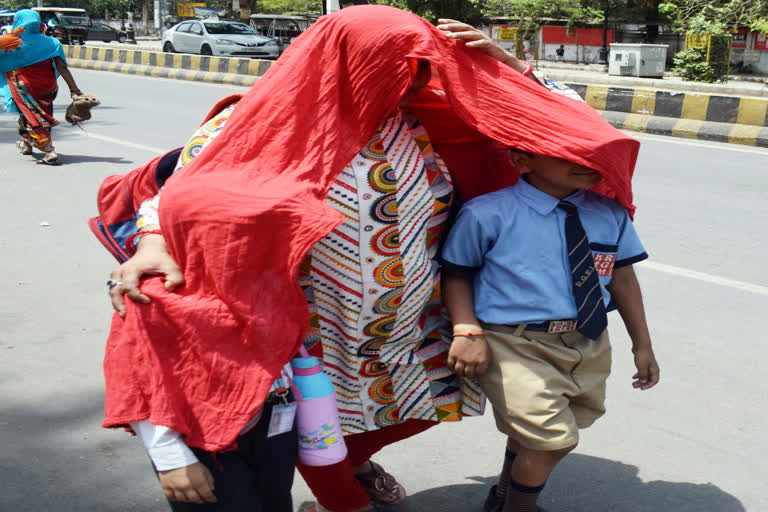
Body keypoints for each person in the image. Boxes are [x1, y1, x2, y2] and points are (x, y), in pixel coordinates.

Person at [94, 6, 641, 512]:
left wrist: (513, 70)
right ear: (353, 63)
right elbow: (181, 195)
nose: (423, 77)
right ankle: (341, 496)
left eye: (425, 65)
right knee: (316, 428)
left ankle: (353, 464)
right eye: (405, 65)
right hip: (314, 324)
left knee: (433, 401)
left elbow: (576, 140)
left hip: (411, 321)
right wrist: (154, 242)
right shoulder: (258, 119)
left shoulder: (422, 119)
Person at [440, 145, 660, 512]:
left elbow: (623, 280)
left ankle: (503, 497)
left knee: (539, 432)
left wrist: (643, 345)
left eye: (590, 155)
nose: (583, 164)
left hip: (587, 340)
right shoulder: (487, 214)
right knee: (552, 440)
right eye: (566, 155)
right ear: (521, 160)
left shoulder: (608, 213)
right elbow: (457, 272)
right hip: (515, 342)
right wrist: (467, 329)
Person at [0, 9, 83, 165]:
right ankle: (27, 143)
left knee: (34, 117)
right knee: (37, 114)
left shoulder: (10, 43)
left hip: (24, 87)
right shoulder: (52, 42)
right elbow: (62, 67)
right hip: (48, 88)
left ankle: (49, 150)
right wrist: (74, 90)